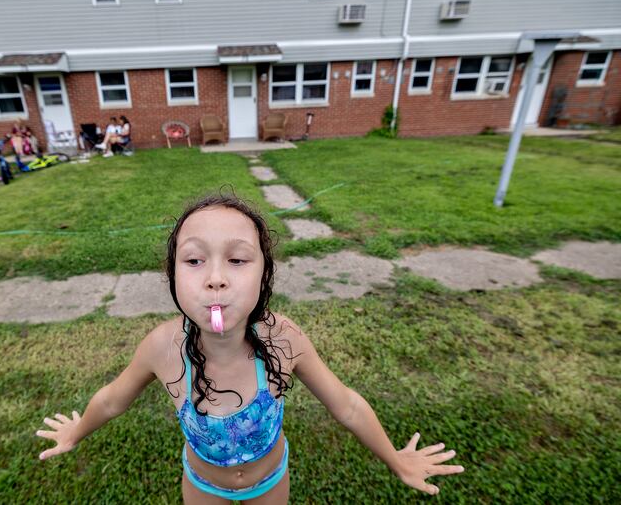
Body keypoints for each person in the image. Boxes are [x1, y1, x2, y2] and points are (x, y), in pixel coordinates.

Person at [35, 194, 465, 503]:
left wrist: (395, 460)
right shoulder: (161, 348)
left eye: (238, 260)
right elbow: (111, 401)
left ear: (264, 275)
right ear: (173, 276)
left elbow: (347, 406)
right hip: (203, 489)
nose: (216, 278)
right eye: (194, 260)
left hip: (271, 484)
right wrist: (75, 431)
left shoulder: (284, 340)